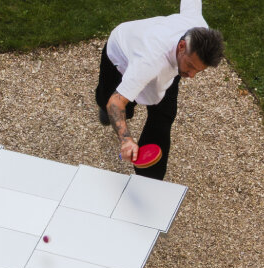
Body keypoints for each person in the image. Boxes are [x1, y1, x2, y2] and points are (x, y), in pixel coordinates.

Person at [95, 0, 224, 180]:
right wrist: (126, 141)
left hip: (168, 66)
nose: (192, 75)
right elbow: (115, 103)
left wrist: (185, 66)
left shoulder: (197, 29)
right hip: (121, 57)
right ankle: (105, 106)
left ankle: (149, 180)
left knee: (163, 116)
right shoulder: (150, 60)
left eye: (198, 70)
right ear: (181, 46)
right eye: (191, 66)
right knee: (115, 107)